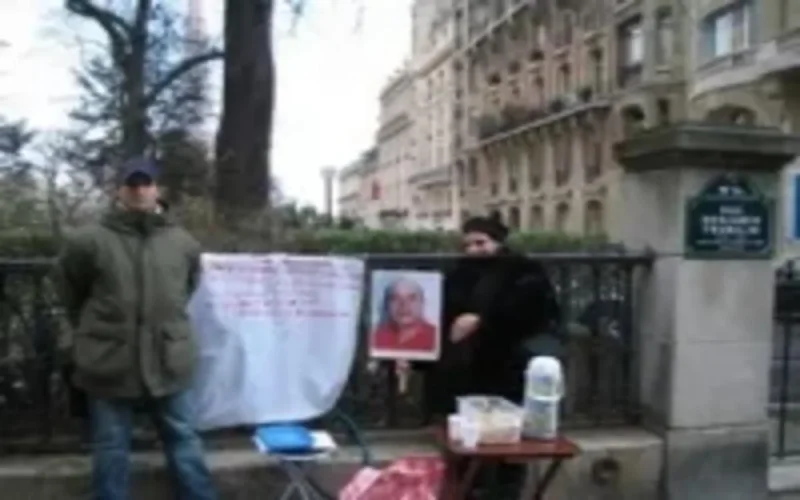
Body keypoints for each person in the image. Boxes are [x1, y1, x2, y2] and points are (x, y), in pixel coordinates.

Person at [57, 157, 217, 500]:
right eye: (132, 183)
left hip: (169, 357)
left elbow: (185, 290)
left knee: (185, 438)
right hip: (108, 360)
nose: (139, 189)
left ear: (157, 188)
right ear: (119, 189)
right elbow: (73, 295)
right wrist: (98, 334)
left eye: (146, 183)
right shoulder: (88, 241)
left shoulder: (183, 242)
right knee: (111, 447)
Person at [427, 212, 562, 499]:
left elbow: (534, 313)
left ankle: (506, 492)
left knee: (509, 447)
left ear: (498, 242)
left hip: (508, 369)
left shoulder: (524, 271)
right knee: (465, 445)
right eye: (468, 245)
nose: (474, 250)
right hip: (466, 373)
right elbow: (438, 316)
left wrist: (482, 322)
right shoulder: (458, 273)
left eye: (481, 243)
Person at [371, 277, 437, 354]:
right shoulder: (374, 338)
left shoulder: (436, 337)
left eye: (411, 298)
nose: (403, 305)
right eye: (395, 298)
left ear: (422, 303)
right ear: (386, 305)